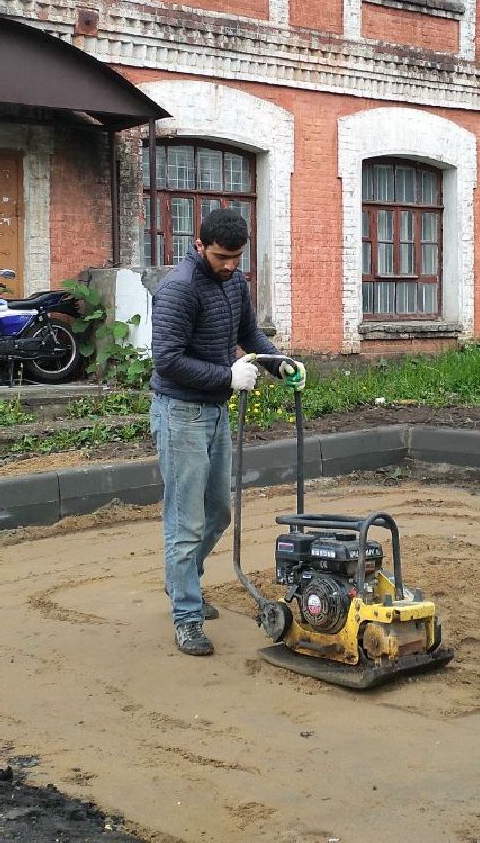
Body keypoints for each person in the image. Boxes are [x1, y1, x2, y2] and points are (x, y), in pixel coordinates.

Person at [149, 208, 306, 657]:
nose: (230, 265)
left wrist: (280, 363)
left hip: (215, 414)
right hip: (180, 414)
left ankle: (180, 583)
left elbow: (249, 334)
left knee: (218, 513)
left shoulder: (235, 283)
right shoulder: (178, 290)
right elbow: (167, 360)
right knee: (186, 521)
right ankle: (187, 617)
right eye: (221, 257)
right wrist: (226, 377)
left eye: (237, 257)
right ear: (200, 246)